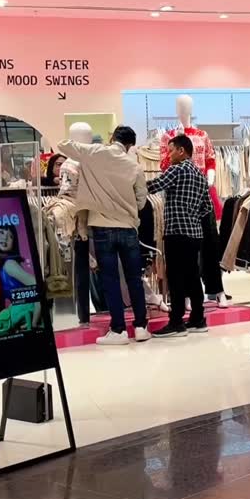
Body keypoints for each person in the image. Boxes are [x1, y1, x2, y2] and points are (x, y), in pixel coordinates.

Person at [58, 125, 149, 346]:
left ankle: (118, 330)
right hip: (128, 227)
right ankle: (140, 327)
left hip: (102, 226)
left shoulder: (96, 152)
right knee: (134, 279)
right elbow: (141, 200)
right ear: (130, 145)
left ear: (112, 137)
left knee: (110, 279)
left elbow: (63, 145)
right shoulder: (134, 166)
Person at [147, 134, 211, 337]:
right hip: (194, 234)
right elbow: (207, 207)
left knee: (175, 277)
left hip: (176, 232)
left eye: (171, 150)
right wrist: (190, 215)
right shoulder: (200, 174)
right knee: (192, 276)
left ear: (181, 151)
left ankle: (176, 322)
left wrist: (133, 185)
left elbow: (153, 186)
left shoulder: (176, 170)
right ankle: (198, 318)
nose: (169, 155)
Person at [0, 226, 36, 297]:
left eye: (10, 236)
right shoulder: (3, 264)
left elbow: (35, 283)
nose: (5, 238)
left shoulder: (9, 264)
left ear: (13, 244)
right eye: (2, 232)